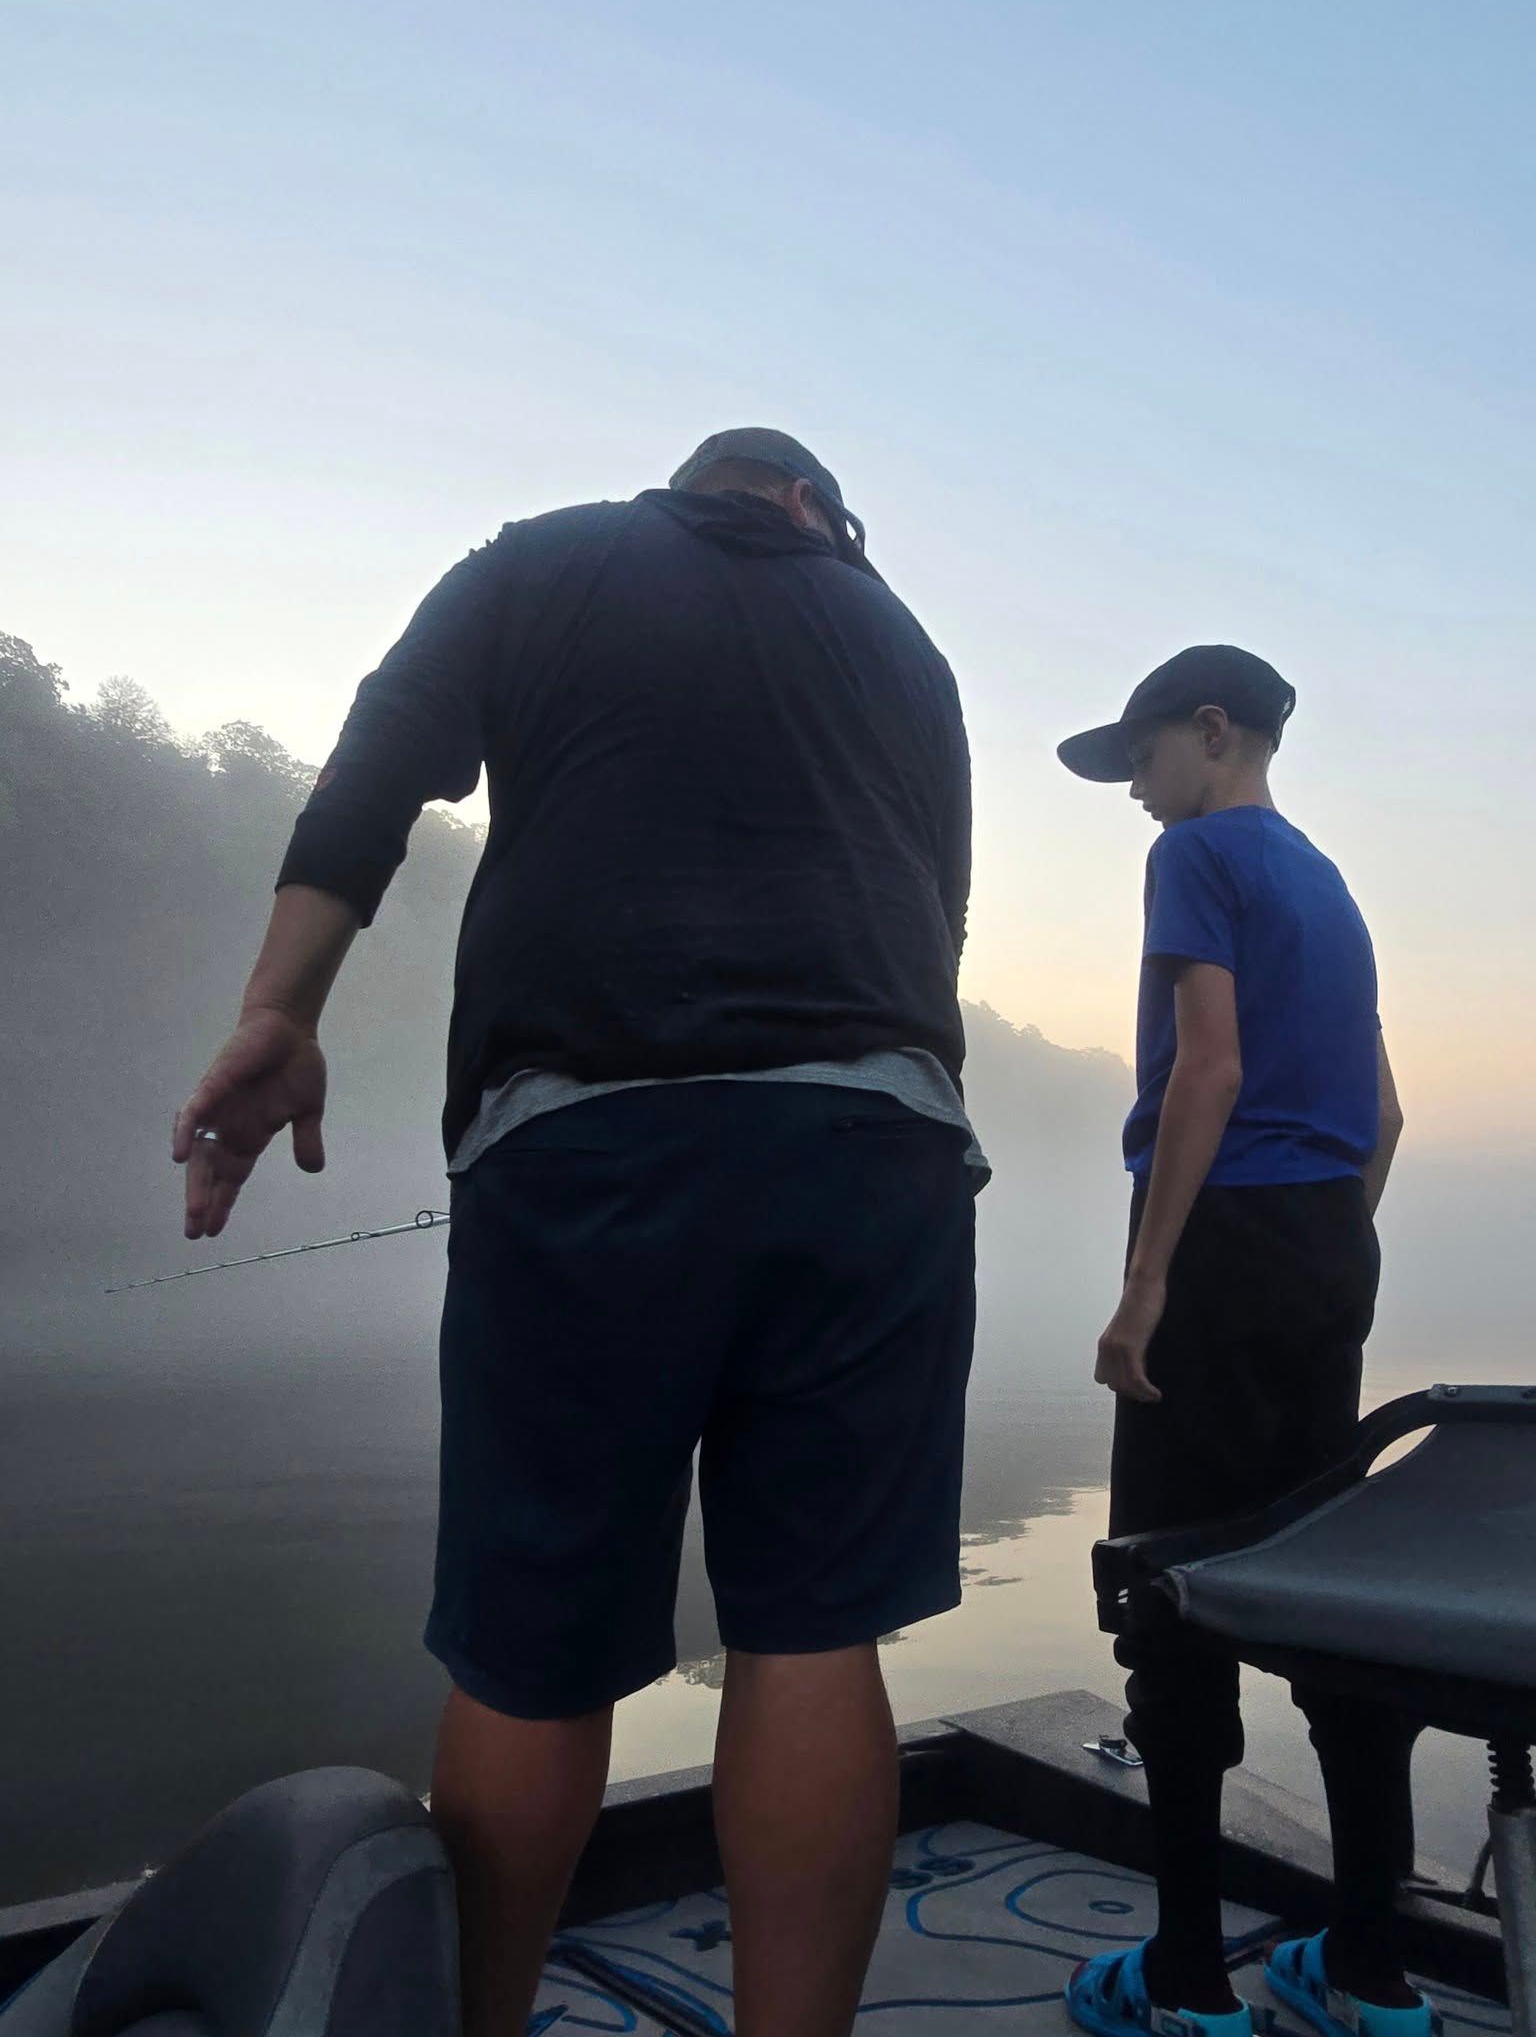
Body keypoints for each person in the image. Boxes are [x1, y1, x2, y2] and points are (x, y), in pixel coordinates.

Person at [173, 428, 982, 2037]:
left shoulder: (535, 561)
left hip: (590, 1141)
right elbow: (936, 910)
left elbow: (375, 769)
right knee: (816, 1637)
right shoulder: (905, 643)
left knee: (533, 1649)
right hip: (873, 1153)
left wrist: (279, 1007)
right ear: (811, 508)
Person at [1056, 646, 1427, 2037]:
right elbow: (1384, 1117)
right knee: (1324, 1599)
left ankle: (1190, 1983)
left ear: (1213, 734)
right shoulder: (1329, 887)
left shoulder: (1197, 856)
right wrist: (1319, 1248)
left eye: (1143, 758)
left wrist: (1150, 1281)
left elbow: (1206, 1067)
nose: (1136, 792)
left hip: (1218, 1245)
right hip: (1330, 1247)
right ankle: (1370, 1973)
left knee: (1173, 1597)